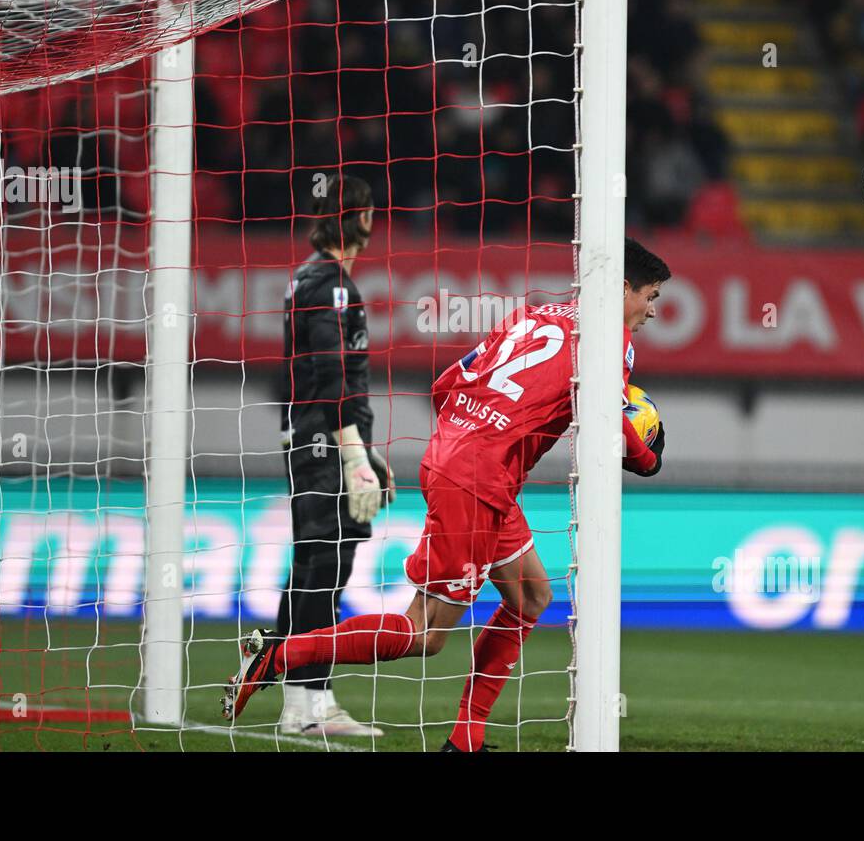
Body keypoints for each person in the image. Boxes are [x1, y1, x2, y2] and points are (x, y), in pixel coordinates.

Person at [224, 237, 670, 751]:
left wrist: (482, 429)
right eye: (651, 296)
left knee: (530, 597)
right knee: (426, 634)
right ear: (620, 289)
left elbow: (444, 384)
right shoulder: (610, 340)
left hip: (464, 457)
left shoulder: (533, 314)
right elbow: (624, 440)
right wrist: (651, 455)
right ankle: (279, 657)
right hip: (477, 480)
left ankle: (466, 738)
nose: (652, 311)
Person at [274, 173, 394, 737]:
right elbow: (331, 373)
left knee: (317, 563)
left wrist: (365, 451)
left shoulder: (313, 278)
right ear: (355, 216)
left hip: (324, 439)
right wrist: (353, 455)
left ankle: (286, 686)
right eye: (369, 210)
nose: (374, 220)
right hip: (323, 442)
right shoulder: (331, 284)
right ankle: (309, 704)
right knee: (323, 563)